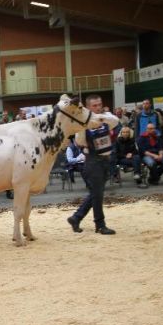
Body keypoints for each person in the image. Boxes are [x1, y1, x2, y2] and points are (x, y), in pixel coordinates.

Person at [67, 94, 116, 235]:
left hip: (106, 160)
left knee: (96, 193)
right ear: (88, 107)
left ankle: (76, 218)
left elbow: (116, 121)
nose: (98, 107)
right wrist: (87, 123)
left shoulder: (106, 117)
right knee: (98, 195)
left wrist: (101, 117)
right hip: (93, 161)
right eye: (94, 105)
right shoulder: (83, 124)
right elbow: (79, 142)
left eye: (99, 104)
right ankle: (100, 225)